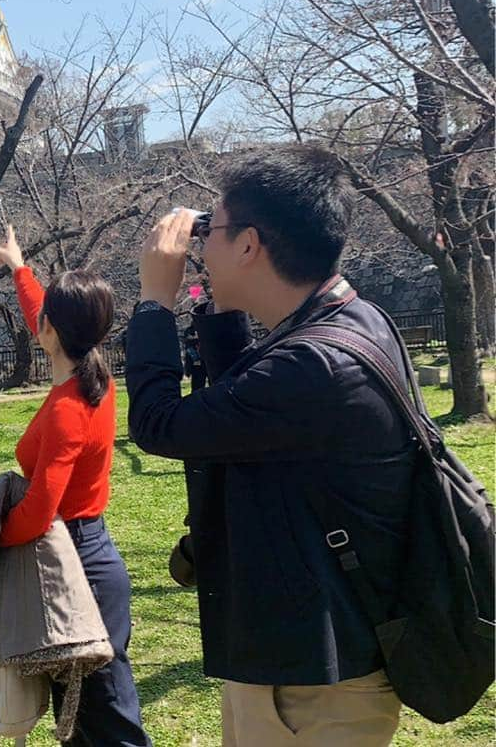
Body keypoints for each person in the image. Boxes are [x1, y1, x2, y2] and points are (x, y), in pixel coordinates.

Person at [126, 146, 413, 746]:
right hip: (305, 657)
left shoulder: (314, 365)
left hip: (313, 686)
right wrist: (213, 301)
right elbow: (249, 408)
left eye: (212, 231)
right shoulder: (349, 323)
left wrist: (155, 299)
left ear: (250, 245)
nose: (201, 246)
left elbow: (158, 423)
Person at [0, 226, 152, 747]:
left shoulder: (67, 408)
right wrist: (20, 268)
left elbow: (40, 510)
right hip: (83, 550)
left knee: (106, 719)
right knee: (78, 715)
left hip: (76, 560)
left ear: (52, 333)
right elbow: (42, 309)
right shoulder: (88, 375)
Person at [180, 319, 206, 392]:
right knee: (197, 384)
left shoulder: (204, 329)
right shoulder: (189, 330)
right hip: (196, 362)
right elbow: (188, 343)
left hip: (205, 360)